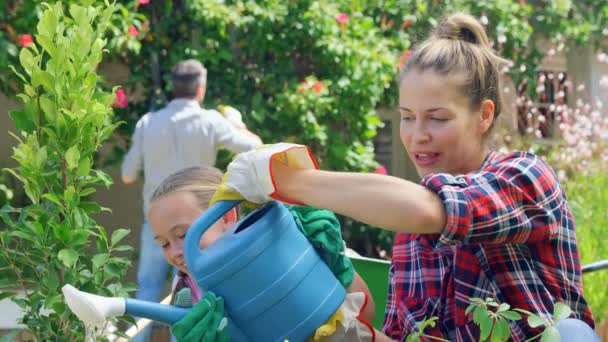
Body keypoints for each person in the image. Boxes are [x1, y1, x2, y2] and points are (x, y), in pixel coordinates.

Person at [210, 13, 598, 342]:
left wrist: (286, 181)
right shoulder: (409, 239)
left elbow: (431, 209)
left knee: (572, 333)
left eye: (438, 118)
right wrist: (340, 325)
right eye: (408, 117)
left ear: (484, 116)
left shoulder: (525, 177)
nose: (417, 135)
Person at [147, 166, 376, 341]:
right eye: (164, 243)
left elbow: (367, 315)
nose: (176, 252)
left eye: (184, 235)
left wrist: (337, 265)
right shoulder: (188, 300)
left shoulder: (284, 249)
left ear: (226, 217)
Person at [121, 59, 262, 341]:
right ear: (201, 88)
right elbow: (256, 147)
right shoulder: (211, 120)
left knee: (148, 290)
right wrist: (237, 124)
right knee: (191, 295)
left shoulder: (148, 122)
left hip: (157, 226)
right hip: (198, 226)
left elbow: (126, 175)